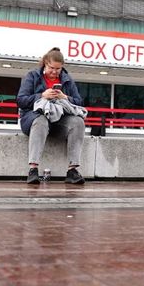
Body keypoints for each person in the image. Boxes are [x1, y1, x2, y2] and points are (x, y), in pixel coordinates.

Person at [16, 47, 87, 185]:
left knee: (78, 122)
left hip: (58, 120)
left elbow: (79, 102)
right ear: (45, 63)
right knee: (41, 120)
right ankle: (33, 169)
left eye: (58, 69)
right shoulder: (32, 76)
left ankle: (72, 170)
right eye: (51, 68)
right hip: (33, 119)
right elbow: (21, 100)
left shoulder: (67, 80)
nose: (54, 72)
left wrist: (65, 97)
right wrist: (41, 95)